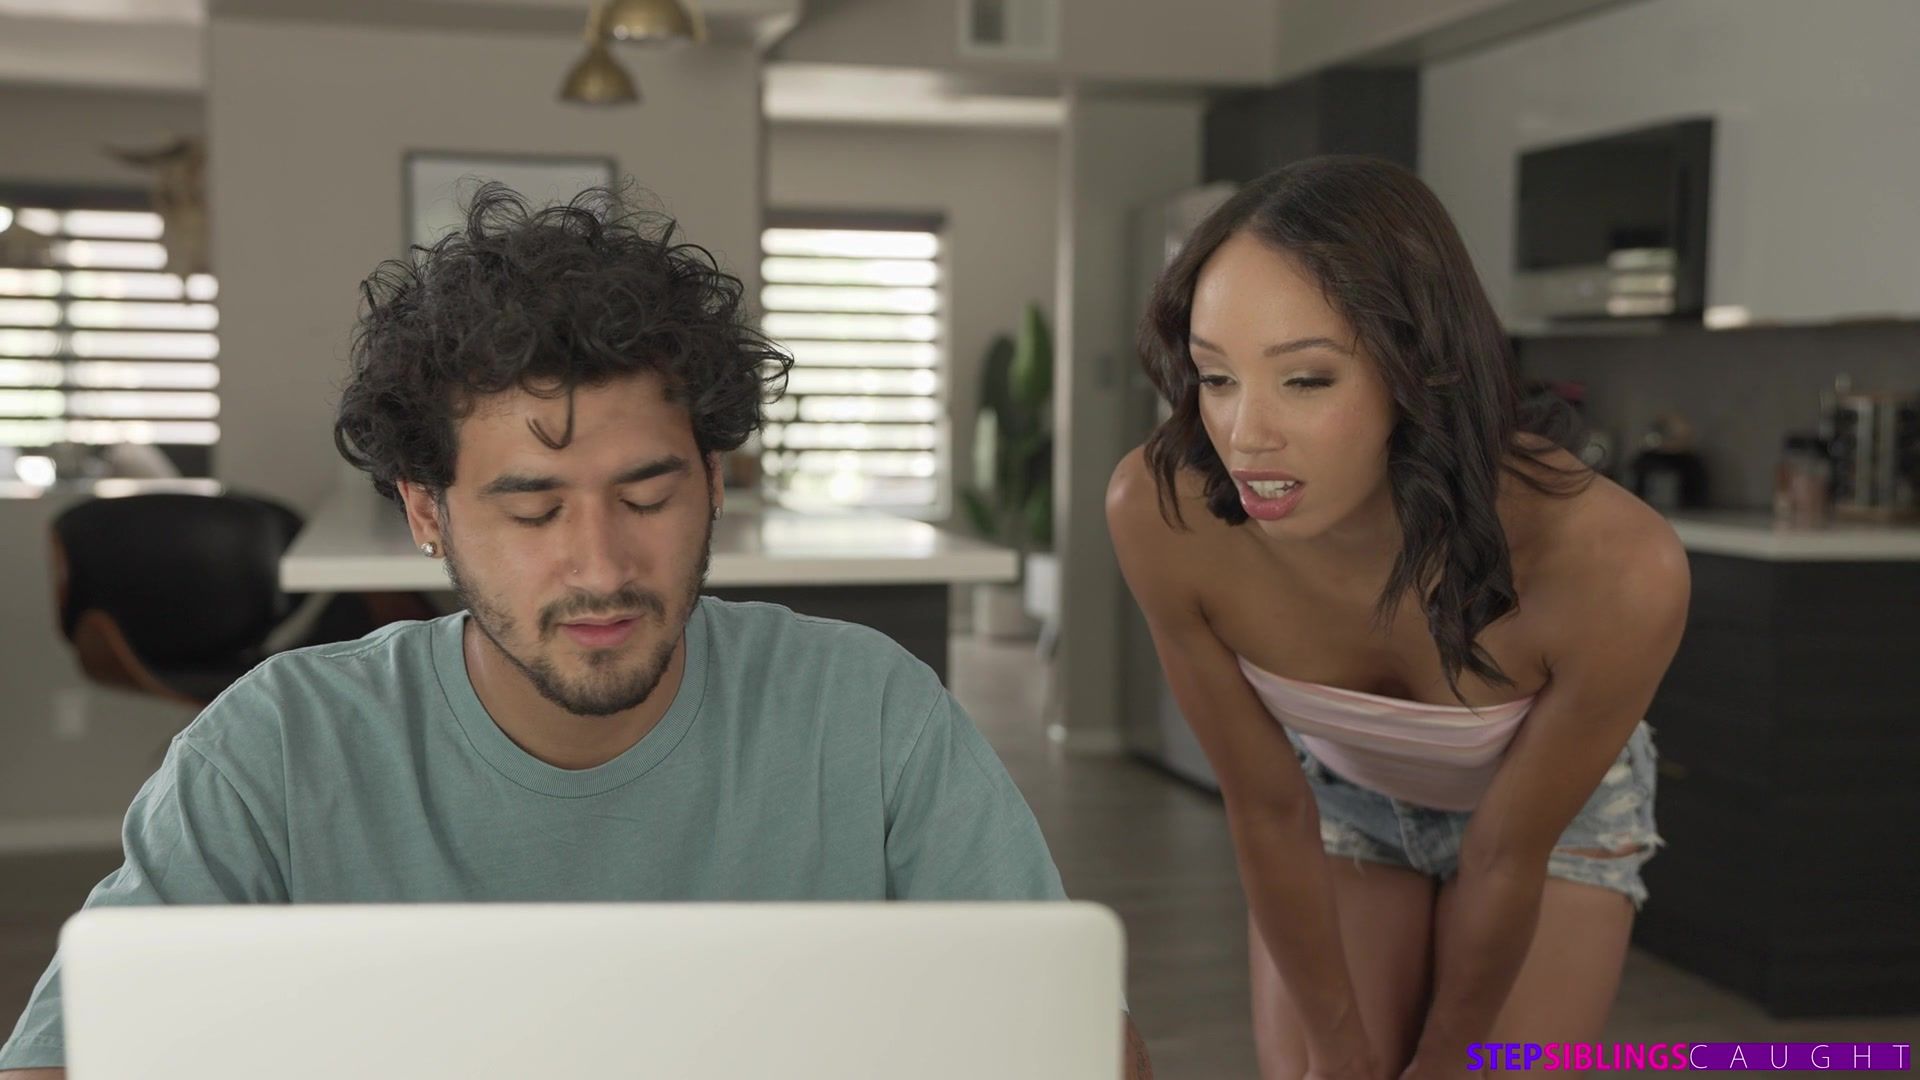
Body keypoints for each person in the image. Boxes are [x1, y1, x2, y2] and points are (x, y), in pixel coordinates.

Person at [2, 184, 1150, 1079]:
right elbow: (61, 1057)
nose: (601, 567)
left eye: (647, 497)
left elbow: (1085, 1051)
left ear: (714, 484)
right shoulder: (275, 750)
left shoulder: (869, 713)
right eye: (532, 509)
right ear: (425, 512)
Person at [1106, 157, 1687, 1080]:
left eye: (1306, 380)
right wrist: (1338, 1055)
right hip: (1341, 800)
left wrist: (1447, 1058)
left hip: (1552, 824)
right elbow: (1267, 809)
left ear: (1419, 369)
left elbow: (1506, 854)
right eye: (1216, 378)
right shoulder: (1163, 510)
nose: (1246, 435)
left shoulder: (1617, 562)